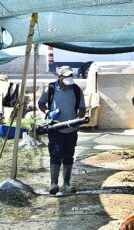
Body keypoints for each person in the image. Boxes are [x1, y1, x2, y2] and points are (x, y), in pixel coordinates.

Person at [38, 66, 86, 194]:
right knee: (56, 154)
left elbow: (82, 108)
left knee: (68, 155)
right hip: (55, 127)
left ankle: (66, 183)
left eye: (70, 76)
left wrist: (78, 119)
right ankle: (54, 183)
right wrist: (48, 112)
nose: (68, 80)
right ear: (59, 77)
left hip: (71, 129)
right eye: (66, 77)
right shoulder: (51, 88)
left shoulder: (76, 90)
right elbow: (41, 103)